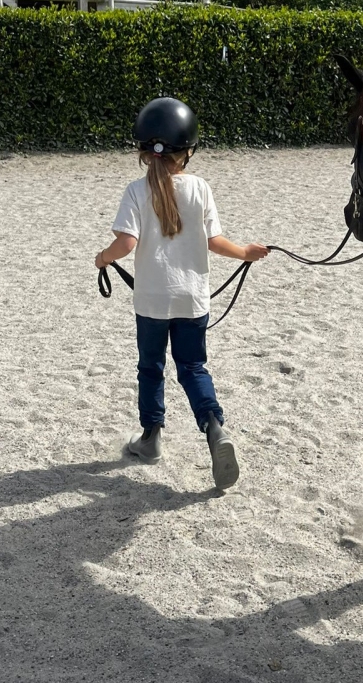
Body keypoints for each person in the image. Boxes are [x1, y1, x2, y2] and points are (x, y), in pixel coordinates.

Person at [95, 97, 268, 490]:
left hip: (152, 302)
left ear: (143, 150)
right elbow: (215, 241)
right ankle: (214, 429)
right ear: (188, 150)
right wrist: (246, 253)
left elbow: (125, 244)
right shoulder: (200, 188)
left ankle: (151, 439)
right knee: (192, 368)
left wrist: (102, 259)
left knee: (150, 368)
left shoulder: (135, 192)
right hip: (192, 300)